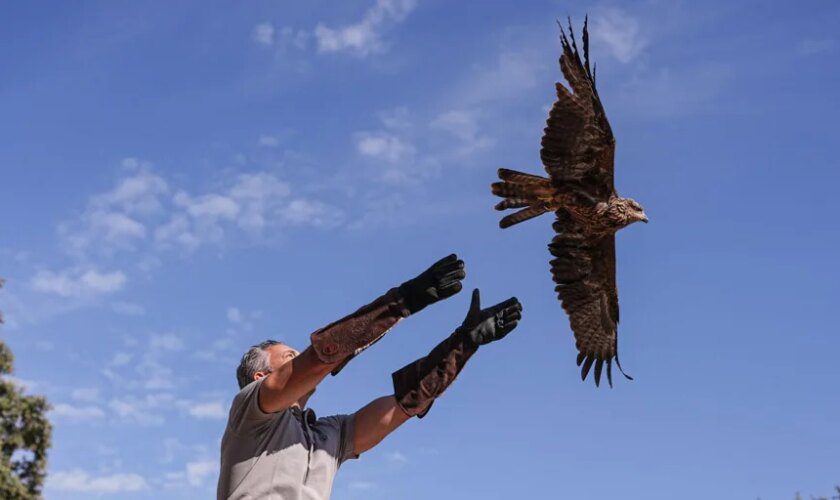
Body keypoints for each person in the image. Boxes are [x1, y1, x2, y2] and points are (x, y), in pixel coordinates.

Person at [216, 255, 523, 500]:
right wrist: (402, 301)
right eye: (288, 358)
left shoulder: (327, 436)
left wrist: (463, 344)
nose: (299, 358)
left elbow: (403, 405)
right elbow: (320, 359)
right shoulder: (249, 414)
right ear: (260, 376)